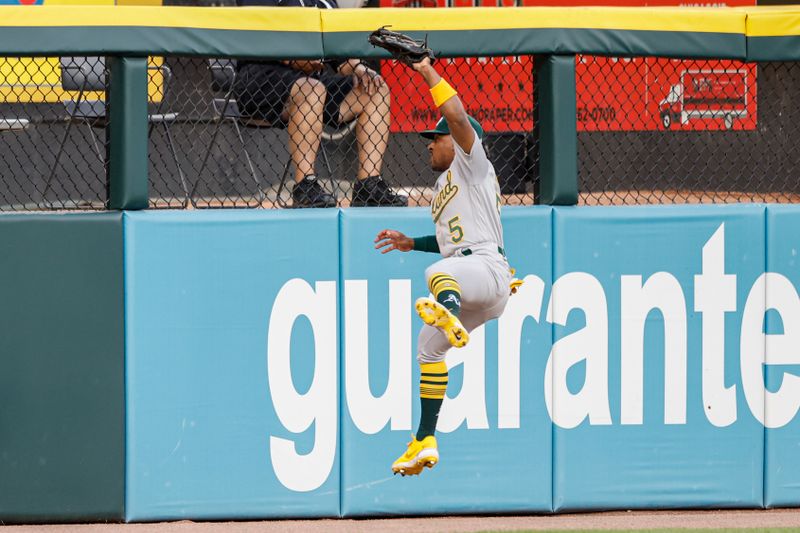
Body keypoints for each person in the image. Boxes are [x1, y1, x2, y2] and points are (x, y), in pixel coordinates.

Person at [374, 56, 517, 476]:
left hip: (484, 270)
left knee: (438, 275)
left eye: (435, 138)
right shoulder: (444, 186)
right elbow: (449, 242)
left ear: (457, 141)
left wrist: (424, 69)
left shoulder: (472, 165)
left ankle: (449, 312)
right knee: (428, 348)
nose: (429, 143)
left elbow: (454, 115)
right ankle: (424, 439)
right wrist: (410, 243)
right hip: (475, 280)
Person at [235, 0, 408, 208]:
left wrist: (359, 68)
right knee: (312, 89)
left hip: (311, 82)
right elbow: (257, 30)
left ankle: (368, 185)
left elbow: (340, 56)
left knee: (375, 89)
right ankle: (305, 185)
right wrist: (293, 60)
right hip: (260, 77)